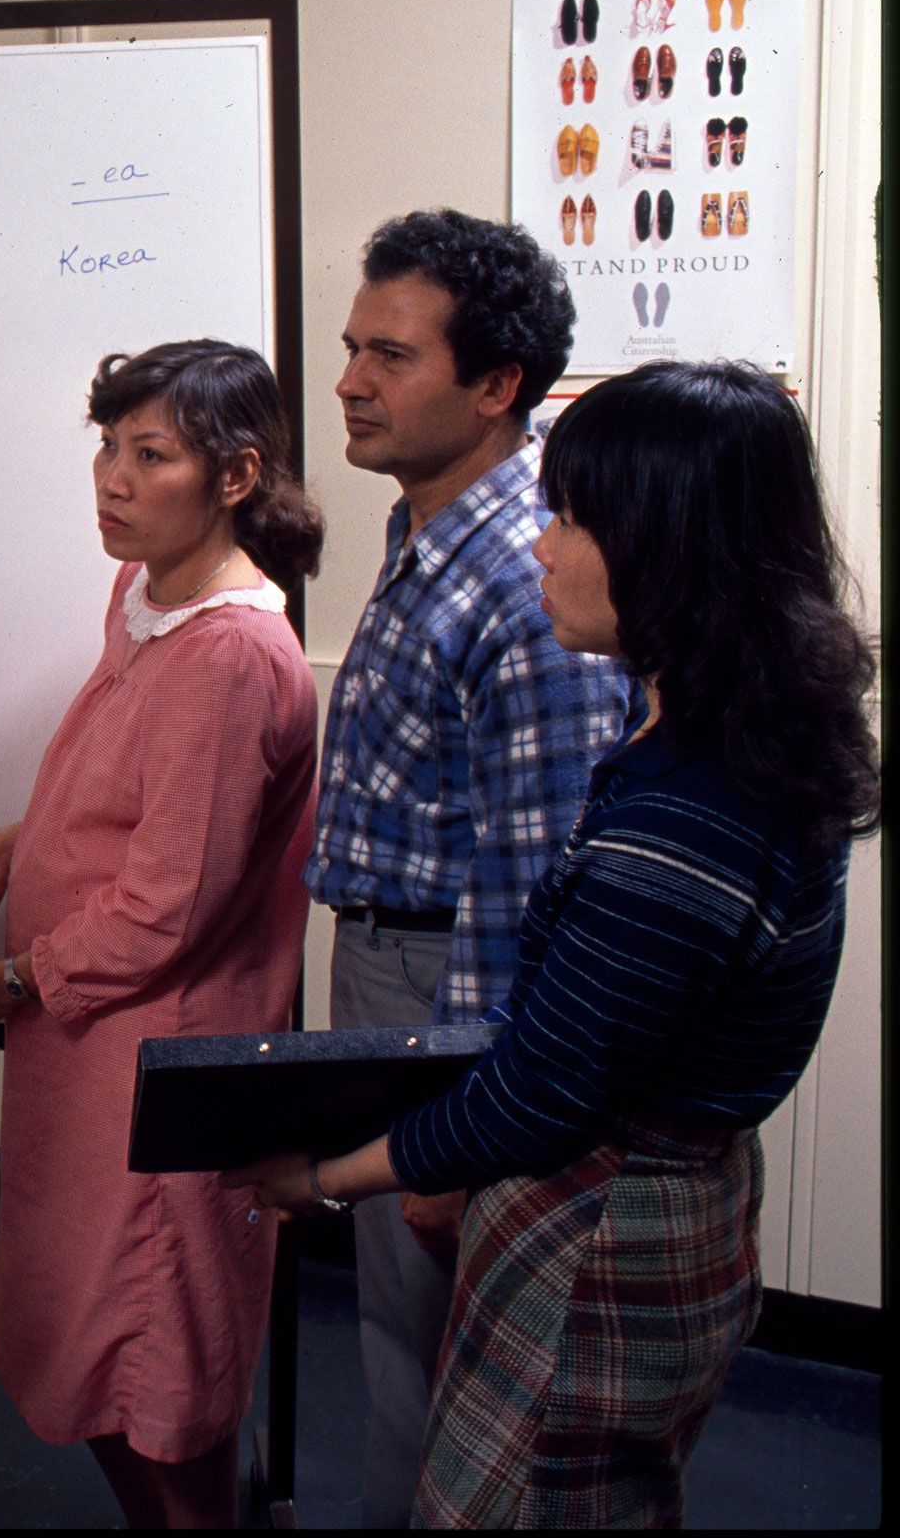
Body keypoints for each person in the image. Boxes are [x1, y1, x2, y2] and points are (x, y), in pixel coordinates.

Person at [229, 359, 877, 1527]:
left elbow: (536, 1093)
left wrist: (324, 1178)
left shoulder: (689, 813)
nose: (541, 547)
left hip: (602, 1236)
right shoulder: (725, 739)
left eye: (572, 520)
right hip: (651, 1209)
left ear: (667, 550)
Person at [0, 342, 321, 1529]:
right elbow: (146, 801)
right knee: (92, 1336)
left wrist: (12, 979)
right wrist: (23, 834)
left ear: (236, 476)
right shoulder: (146, 597)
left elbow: (166, 907)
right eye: (107, 445)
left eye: (149, 455)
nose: (111, 476)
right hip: (90, 1056)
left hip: (152, 1059)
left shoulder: (232, 656)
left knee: (152, 1351)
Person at [301, 208, 638, 1525]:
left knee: (453, 1371)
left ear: (498, 386)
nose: (349, 381)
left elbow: (535, 894)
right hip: (394, 966)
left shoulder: (518, 578)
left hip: (448, 993)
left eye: (390, 356)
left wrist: (453, 1138)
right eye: (351, 349)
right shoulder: (433, 522)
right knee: (408, 1347)